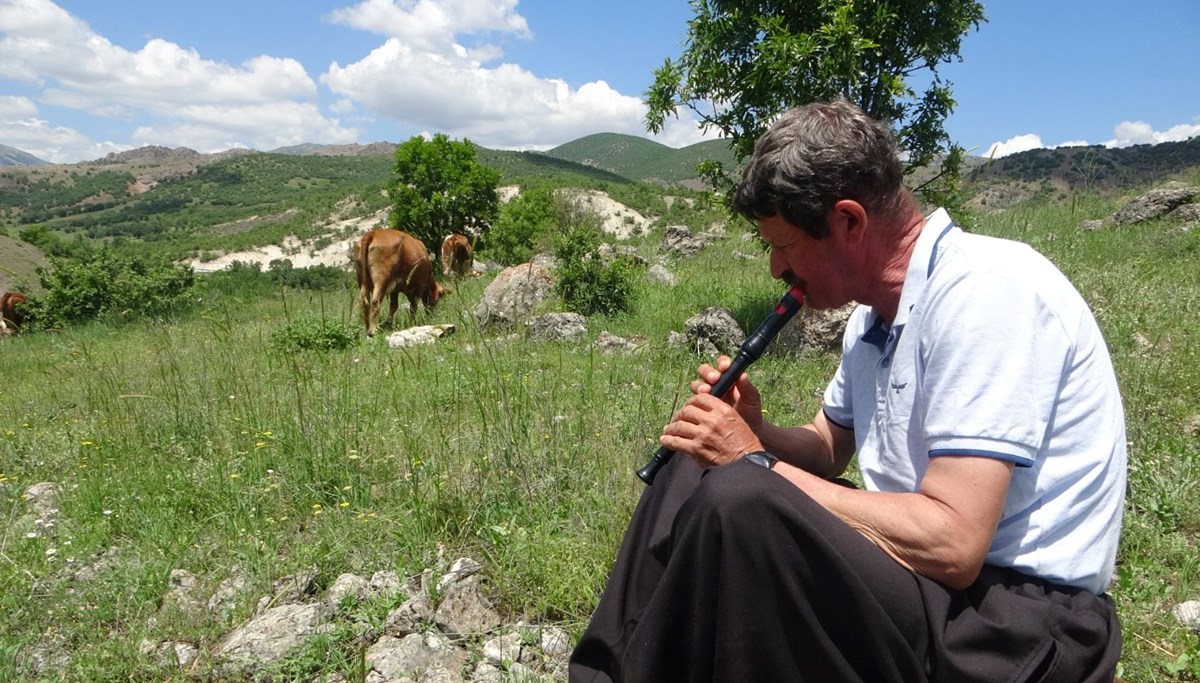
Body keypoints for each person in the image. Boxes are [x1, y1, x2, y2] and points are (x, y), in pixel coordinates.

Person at [569, 100, 1126, 682]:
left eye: (783, 245)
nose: (775, 269)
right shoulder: (873, 318)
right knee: (694, 468)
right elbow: (826, 445)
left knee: (740, 498)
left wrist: (752, 461)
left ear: (850, 222)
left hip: (1019, 623)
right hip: (927, 591)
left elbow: (955, 544)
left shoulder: (986, 293)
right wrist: (755, 434)